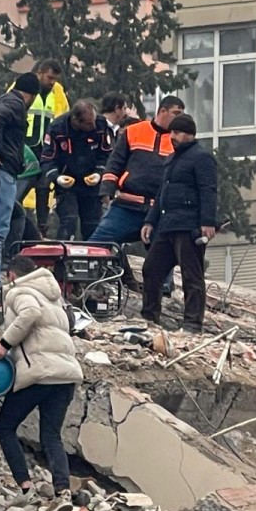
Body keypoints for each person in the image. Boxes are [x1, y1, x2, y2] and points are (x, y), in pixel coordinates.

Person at [0, 255, 84, 511]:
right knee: (51, 435)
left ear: (11, 275)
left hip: (39, 374)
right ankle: (62, 492)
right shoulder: (55, 297)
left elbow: (30, 314)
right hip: (65, 376)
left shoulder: (20, 291)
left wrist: (3, 344)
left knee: (5, 427)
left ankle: (26, 488)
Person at [141, 114, 217, 333]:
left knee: (191, 276)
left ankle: (193, 323)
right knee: (151, 269)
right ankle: (149, 316)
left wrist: (207, 222)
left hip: (189, 226)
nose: (172, 137)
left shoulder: (201, 158)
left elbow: (208, 190)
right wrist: (150, 220)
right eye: (171, 132)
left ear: (189, 134)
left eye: (177, 132)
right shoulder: (171, 159)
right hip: (167, 225)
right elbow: (161, 193)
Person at [91, 96, 186, 248]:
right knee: (95, 246)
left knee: (162, 263)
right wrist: (106, 191)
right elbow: (115, 163)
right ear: (162, 111)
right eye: (176, 113)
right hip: (127, 206)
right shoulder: (133, 131)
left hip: (159, 212)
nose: (180, 118)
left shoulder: (178, 141)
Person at [0, 73, 37, 287]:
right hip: (3, 172)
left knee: (11, 217)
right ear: (31, 96)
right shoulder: (15, 105)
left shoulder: (0, 100)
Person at [41, 100, 114, 240]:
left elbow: (107, 154)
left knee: (92, 225)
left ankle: (93, 259)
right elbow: (47, 159)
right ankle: (62, 258)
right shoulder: (57, 128)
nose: (93, 126)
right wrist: (57, 177)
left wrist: (100, 173)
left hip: (91, 183)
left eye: (93, 120)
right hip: (67, 183)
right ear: (75, 120)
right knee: (69, 220)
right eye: (88, 123)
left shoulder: (100, 124)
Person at [23, 59, 70, 232]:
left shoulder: (58, 92)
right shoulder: (24, 85)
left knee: (44, 187)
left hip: (46, 147)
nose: (52, 82)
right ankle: (17, 222)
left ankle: (42, 227)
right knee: (22, 186)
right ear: (40, 73)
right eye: (49, 78)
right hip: (26, 147)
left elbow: (64, 117)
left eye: (55, 79)